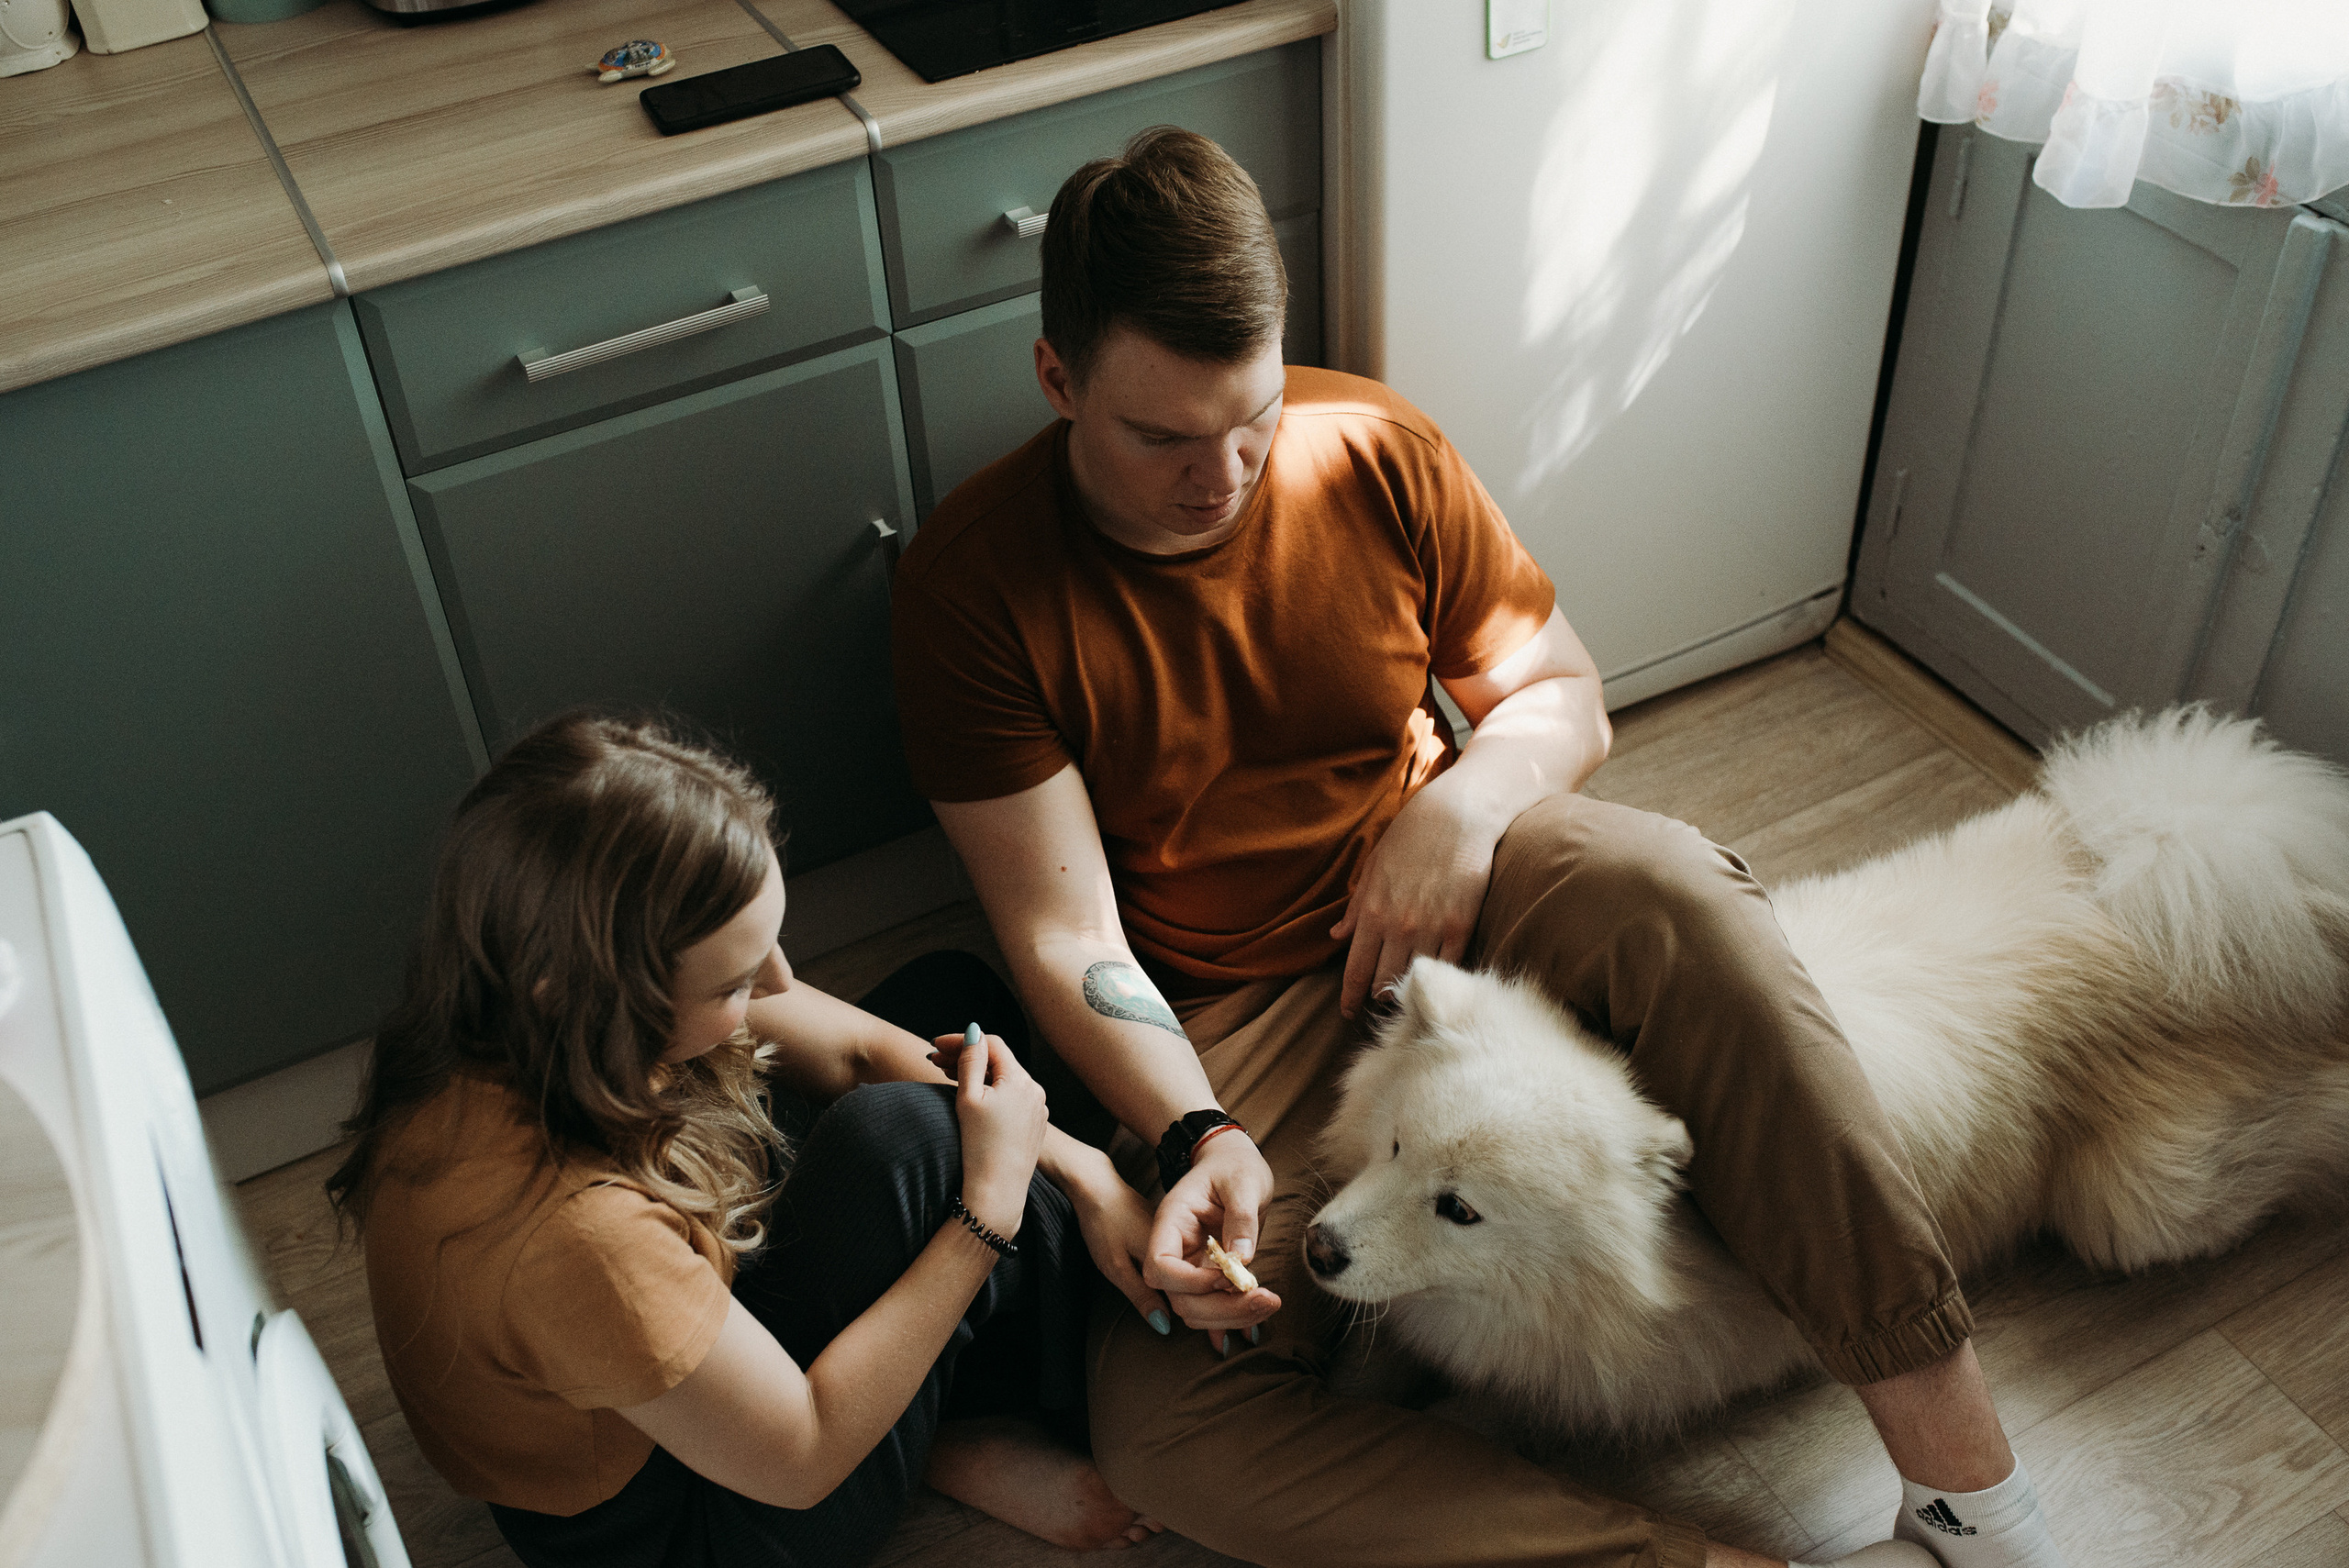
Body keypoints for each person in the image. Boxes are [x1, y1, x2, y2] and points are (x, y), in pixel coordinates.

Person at [890, 128, 2067, 1568]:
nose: (1223, 474)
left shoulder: (1373, 450)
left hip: (1467, 893)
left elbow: (1560, 691)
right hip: (1230, 1020)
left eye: (1251, 417)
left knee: (1676, 894)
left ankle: (1967, 1488)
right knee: (1169, 1436)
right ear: (1059, 379)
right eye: (1163, 438)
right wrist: (1197, 1132)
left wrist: (1458, 808)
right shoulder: (973, 587)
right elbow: (1066, 933)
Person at [326, 713, 1175, 1567]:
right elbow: (804, 1454)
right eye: (735, 978)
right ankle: (1117, 1377)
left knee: (949, 999)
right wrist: (986, 1211)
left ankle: (939, 1421)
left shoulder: (511, 1007)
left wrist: (1088, 1173)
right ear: (596, 992)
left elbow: (852, 1051)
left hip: (673, 1386)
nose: (778, 979)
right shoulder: (573, 1235)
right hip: (696, 1519)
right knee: (920, 1140)